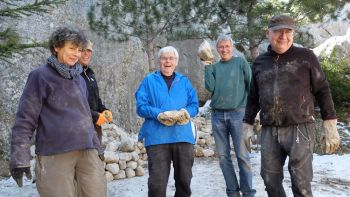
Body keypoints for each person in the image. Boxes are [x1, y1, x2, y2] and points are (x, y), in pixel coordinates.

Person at [243, 14, 340, 197]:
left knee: (301, 184)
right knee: (270, 181)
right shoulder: (260, 62)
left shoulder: (306, 57)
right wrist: (247, 124)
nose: (284, 36)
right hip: (269, 130)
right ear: (268, 34)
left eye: (288, 32)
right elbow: (253, 96)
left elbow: (323, 89)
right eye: (278, 32)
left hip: (300, 129)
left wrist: (330, 123)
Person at [10, 26, 106, 197]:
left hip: (87, 151)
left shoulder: (79, 79)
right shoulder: (40, 76)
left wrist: (97, 147)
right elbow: (25, 119)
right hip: (54, 153)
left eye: (79, 49)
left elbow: (84, 116)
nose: (76, 54)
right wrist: (19, 156)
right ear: (56, 47)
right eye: (71, 48)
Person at [135, 46, 199, 197]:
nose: (167, 61)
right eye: (164, 58)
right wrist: (159, 114)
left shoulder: (184, 81)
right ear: (159, 61)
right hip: (157, 137)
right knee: (157, 183)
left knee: (184, 181)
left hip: (183, 136)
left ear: (176, 62)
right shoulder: (149, 81)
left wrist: (186, 112)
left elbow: (194, 105)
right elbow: (141, 107)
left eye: (171, 58)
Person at [199, 35, 256, 197]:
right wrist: (207, 66)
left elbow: (251, 85)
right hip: (218, 116)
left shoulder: (240, 63)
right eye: (221, 47)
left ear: (232, 47)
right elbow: (210, 87)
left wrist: (253, 113)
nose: (224, 49)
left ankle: (248, 192)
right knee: (223, 158)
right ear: (217, 49)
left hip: (239, 114)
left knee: (242, 156)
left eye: (227, 46)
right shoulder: (214, 67)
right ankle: (232, 192)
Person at [79, 40, 113, 145]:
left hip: (95, 128)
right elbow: (75, 105)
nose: (86, 54)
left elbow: (96, 99)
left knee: (97, 157)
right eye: (83, 50)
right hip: (79, 130)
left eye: (89, 50)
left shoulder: (90, 74)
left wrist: (104, 110)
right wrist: (96, 116)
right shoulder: (73, 75)